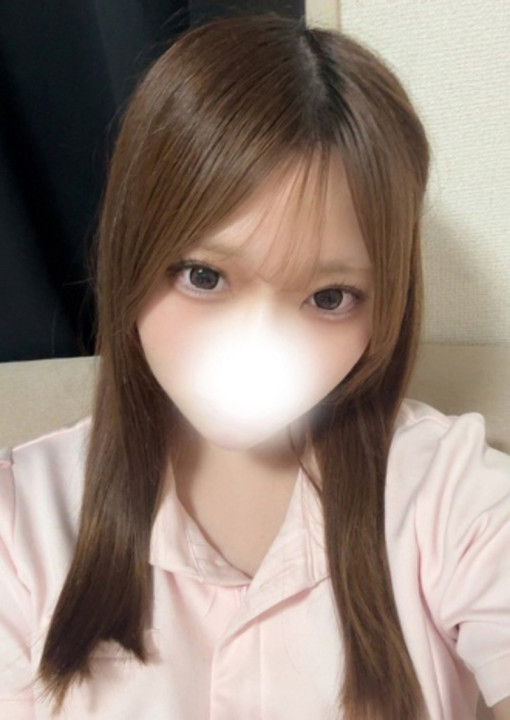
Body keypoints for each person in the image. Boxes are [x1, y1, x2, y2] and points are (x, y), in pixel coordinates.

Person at [1, 12, 509, 720]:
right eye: (204, 277)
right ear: (130, 251)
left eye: (329, 297)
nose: (259, 348)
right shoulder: (21, 522)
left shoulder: (456, 498)